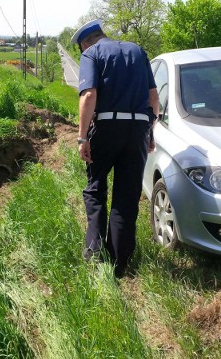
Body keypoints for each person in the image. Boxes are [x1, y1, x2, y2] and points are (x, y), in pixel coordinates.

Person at [71, 19, 159, 277]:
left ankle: (95, 253)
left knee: (96, 187)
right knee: (127, 196)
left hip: (107, 129)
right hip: (138, 131)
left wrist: (82, 137)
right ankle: (120, 262)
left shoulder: (92, 53)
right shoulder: (138, 51)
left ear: (85, 43)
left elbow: (89, 95)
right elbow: (153, 98)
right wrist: (148, 133)